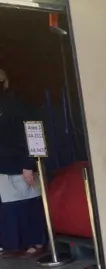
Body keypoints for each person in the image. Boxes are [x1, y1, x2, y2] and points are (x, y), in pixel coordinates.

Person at [0, 68, 47, 258]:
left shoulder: (16, 105)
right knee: (10, 207)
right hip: (5, 165)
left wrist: (28, 164)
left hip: (17, 163)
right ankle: (12, 243)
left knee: (27, 203)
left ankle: (35, 241)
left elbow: (30, 132)